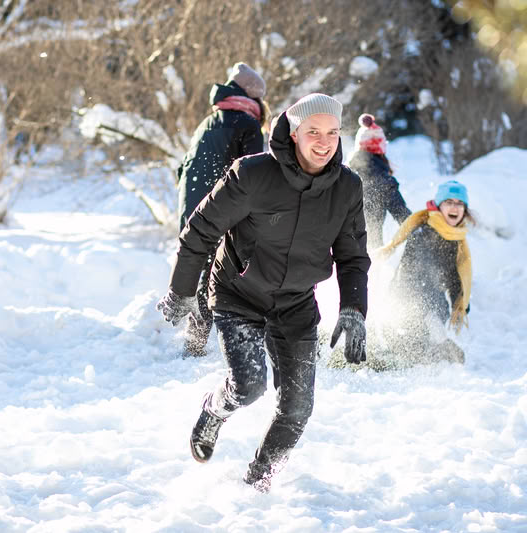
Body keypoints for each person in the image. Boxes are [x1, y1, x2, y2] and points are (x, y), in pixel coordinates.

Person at [156, 93, 371, 492]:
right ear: (293, 132)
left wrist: (354, 308)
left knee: (298, 407)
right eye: (313, 132)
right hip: (240, 295)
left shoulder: (346, 187)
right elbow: (200, 230)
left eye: (332, 132)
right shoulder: (253, 175)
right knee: (249, 385)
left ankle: (257, 484)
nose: (324, 142)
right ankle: (214, 410)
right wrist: (183, 291)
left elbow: (353, 255)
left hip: (295, 303)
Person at [175, 62, 270, 357]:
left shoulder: (208, 122)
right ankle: (248, 338)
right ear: (254, 99)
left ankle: (195, 340)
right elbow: (255, 171)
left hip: (192, 210)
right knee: (233, 270)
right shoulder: (247, 123)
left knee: (204, 271)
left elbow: (182, 170)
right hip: (220, 210)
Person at [375, 180, 473, 364]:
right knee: (415, 355)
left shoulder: (455, 239)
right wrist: (433, 321)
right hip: (404, 311)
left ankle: (431, 349)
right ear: (439, 206)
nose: (455, 207)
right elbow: (411, 279)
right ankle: (416, 350)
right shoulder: (423, 233)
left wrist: (458, 300)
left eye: (460, 203)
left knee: (435, 352)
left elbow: (453, 275)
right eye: (449, 202)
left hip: (429, 311)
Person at [346, 113, 411, 249]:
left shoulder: (346, 172)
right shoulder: (381, 178)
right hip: (368, 249)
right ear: (380, 148)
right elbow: (404, 218)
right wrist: (420, 226)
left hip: (340, 248)